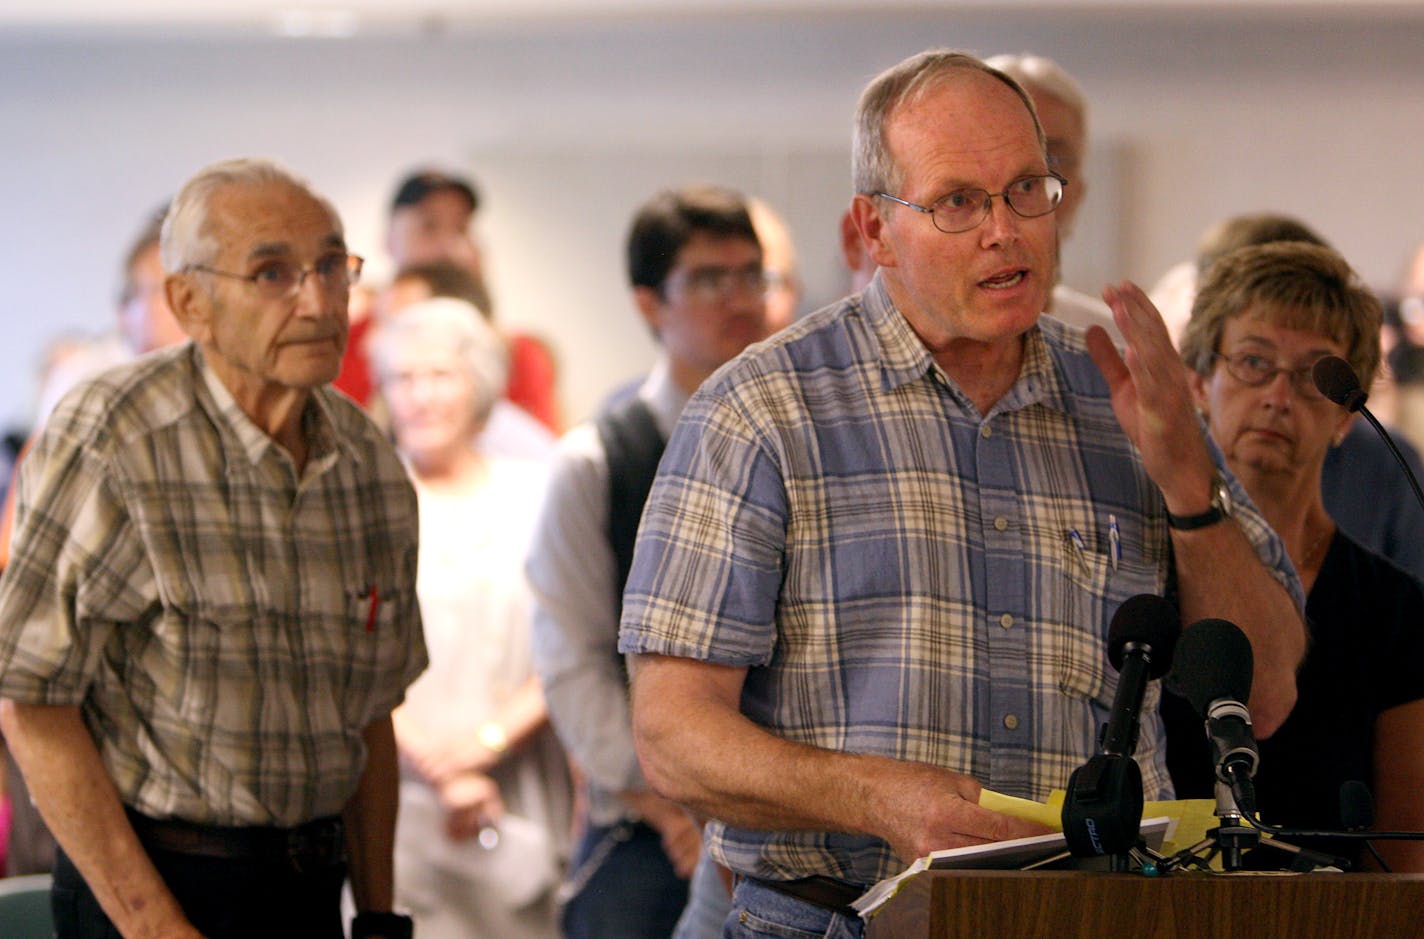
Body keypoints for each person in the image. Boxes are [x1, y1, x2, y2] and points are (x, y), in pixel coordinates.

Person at [617, 50, 1304, 938]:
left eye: (1028, 189)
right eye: (958, 202)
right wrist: (874, 797)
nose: (1006, 231)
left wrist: (1186, 484)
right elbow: (672, 736)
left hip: (1089, 915)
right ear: (873, 229)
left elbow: (1272, 691)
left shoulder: (1126, 399)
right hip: (836, 921)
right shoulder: (762, 411)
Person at [0, 158, 426, 939]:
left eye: (333, 266)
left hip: (310, 885)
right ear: (190, 302)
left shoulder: (366, 458)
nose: (320, 299)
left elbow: (371, 713)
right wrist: (156, 926)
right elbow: (31, 701)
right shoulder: (113, 436)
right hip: (152, 880)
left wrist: (377, 915)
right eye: (273, 273)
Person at [526, 184, 774, 939]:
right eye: (707, 278)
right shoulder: (595, 462)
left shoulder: (803, 450)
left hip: (783, 821)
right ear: (649, 302)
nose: (738, 298)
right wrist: (671, 800)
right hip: (643, 828)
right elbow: (572, 662)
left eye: (750, 274)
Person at [1166, 241, 1424, 871]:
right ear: (1200, 382)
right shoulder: (1137, 571)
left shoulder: (1392, 608)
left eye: (1314, 374)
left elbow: (1404, 858)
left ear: (1345, 417)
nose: (1279, 396)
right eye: (1254, 362)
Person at [368, 298, 573, 937]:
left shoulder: (535, 494)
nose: (420, 397)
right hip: (398, 794)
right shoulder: (367, 503)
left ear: (478, 386)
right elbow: (349, 659)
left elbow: (570, 642)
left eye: (440, 376)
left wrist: (483, 748)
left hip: (516, 787)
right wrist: (439, 766)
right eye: (403, 378)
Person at [0, 204, 190, 877]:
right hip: (76, 681)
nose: (181, 306)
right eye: (159, 290)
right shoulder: (90, 381)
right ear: (128, 308)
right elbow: (17, 535)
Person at [385, 168, 561, 433]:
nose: (449, 246)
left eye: (461, 229)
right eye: (429, 227)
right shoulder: (347, 343)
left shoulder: (517, 354)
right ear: (388, 239)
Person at [984, 52, 1118, 340]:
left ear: (1079, 191)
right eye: (1008, 155)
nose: (1032, 181)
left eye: (1053, 160)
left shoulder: (1113, 342)